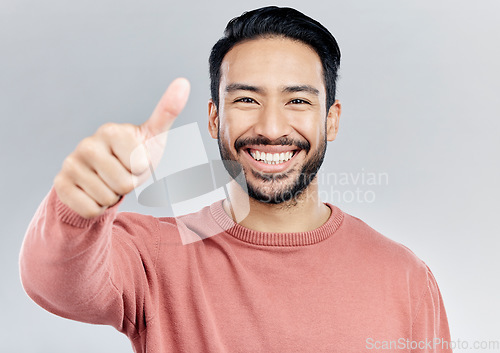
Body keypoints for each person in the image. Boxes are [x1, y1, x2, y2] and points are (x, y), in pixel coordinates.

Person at [19, 6, 452, 353]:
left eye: (298, 99)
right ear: (214, 118)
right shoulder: (156, 255)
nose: (270, 126)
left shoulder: (405, 279)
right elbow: (52, 282)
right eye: (246, 99)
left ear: (331, 120)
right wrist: (77, 210)